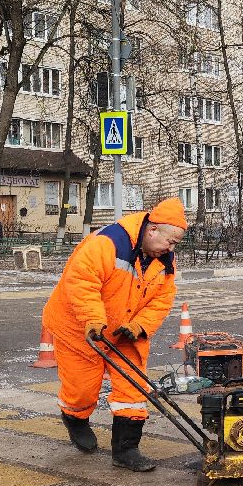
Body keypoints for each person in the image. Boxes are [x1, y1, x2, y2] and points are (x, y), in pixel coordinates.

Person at [42, 197, 187, 471]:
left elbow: (162, 300)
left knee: (133, 387)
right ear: (152, 229)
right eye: (170, 242)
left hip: (125, 330)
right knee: (81, 390)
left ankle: (126, 450)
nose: (171, 249)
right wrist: (94, 319)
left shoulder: (164, 261)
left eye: (175, 244)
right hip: (80, 327)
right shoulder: (108, 243)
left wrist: (140, 326)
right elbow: (82, 282)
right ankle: (75, 417)